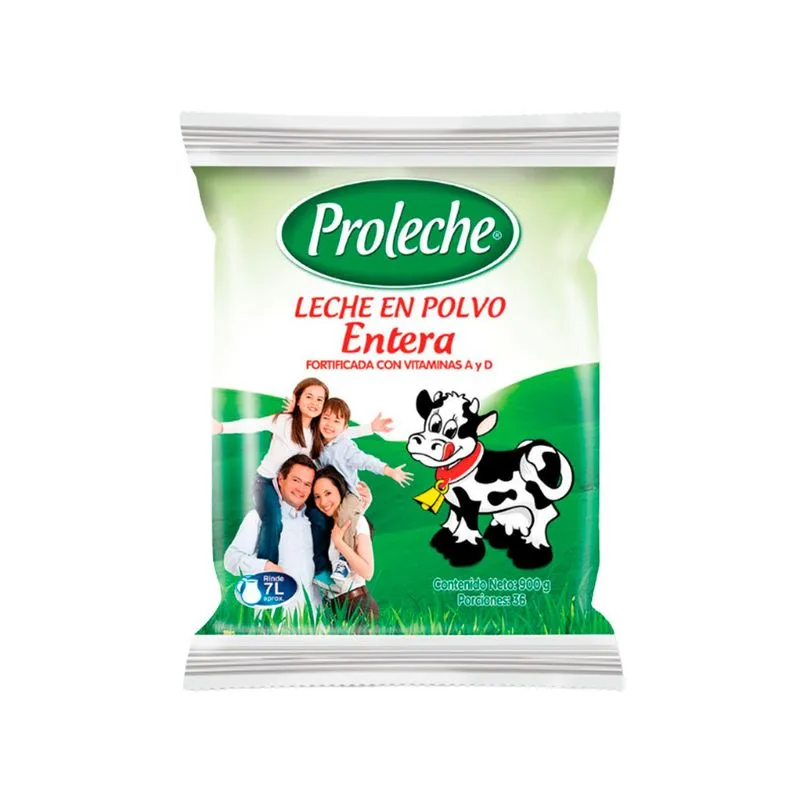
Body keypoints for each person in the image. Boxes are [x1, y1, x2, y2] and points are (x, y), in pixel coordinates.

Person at [212, 377, 392, 589]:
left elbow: (342, 432)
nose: (314, 403)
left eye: (319, 399)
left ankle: (323, 571)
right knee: (273, 520)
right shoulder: (284, 421)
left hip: (298, 485)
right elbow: (255, 424)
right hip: (267, 482)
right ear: (297, 399)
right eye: (308, 397)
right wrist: (221, 427)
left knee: (319, 518)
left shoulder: (318, 431)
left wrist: (371, 428)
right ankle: (268, 574)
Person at [314, 397, 412, 591]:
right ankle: (324, 567)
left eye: (336, 421)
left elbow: (367, 461)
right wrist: (370, 427)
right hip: (333, 495)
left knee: (345, 520)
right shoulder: (320, 445)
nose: (329, 424)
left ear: (344, 427)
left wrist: (389, 471)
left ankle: (343, 562)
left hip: (350, 494)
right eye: (326, 418)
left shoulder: (345, 447)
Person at [223, 454, 321, 613]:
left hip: (314, 620)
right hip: (273, 621)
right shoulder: (259, 517)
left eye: (307, 484)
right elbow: (231, 559)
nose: (301, 489)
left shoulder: (315, 523)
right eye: (296, 480)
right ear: (280, 479)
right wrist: (264, 566)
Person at [312, 466, 380, 622]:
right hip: (335, 608)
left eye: (328, 493)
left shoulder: (358, 522)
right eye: (317, 496)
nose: (323, 502)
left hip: (358, 606)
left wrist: (339, 542)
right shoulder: (333, 525)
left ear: (340, 490)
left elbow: (367, 572)